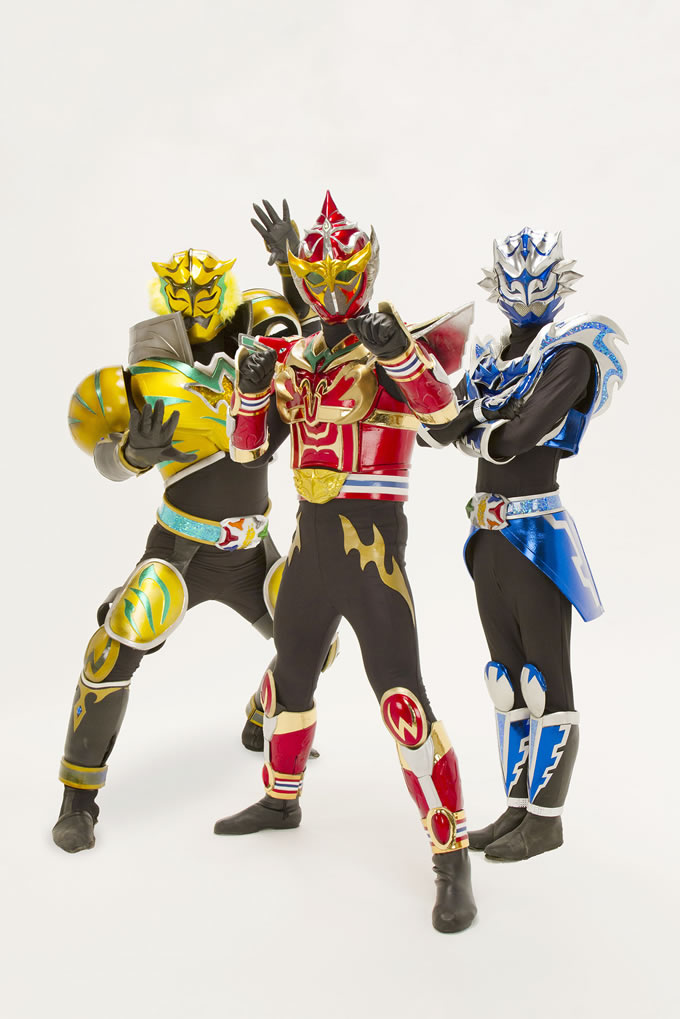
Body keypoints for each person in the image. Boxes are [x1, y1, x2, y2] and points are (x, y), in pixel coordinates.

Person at [214, 192, 490, 933]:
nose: (332, 292)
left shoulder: (391, 347)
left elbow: (446, 419)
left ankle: (452, 857)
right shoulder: (296, 357)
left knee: (403, 699)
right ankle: (282, 798)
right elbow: (247, 453)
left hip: (372, 552)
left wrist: (396, 349)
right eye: (316, 279)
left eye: (345, 276)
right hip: (311, 546)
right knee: (291, 675)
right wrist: (250, 390)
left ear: (368, 272)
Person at [53, 244, 316, 853]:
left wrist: (288, 270)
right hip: (181, 551)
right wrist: (130, 453)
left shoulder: (265, 344)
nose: (194, 306)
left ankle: (264, 714)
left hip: (253, 549)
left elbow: (313, 342)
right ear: (164, 298)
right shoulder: (150, 373)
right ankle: (77, 800)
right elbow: (105, 456)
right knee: (113, 652)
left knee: (314, 642)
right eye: (181, 296)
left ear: (225, 291)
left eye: (204, 294)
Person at [422, 227, 627, 861]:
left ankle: (546, 820)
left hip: (537, 534)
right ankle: (516, 809)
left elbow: (519, 436)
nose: (525, 293)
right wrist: (474, 419)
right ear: (497, 282)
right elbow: (437, 429)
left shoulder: (575, 350)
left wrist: (475, 425)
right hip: (485, 537)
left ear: (559, 281)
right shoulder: (490, 356)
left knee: (546, 681)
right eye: (514, 281)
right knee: (505, 683)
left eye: (538, 281)